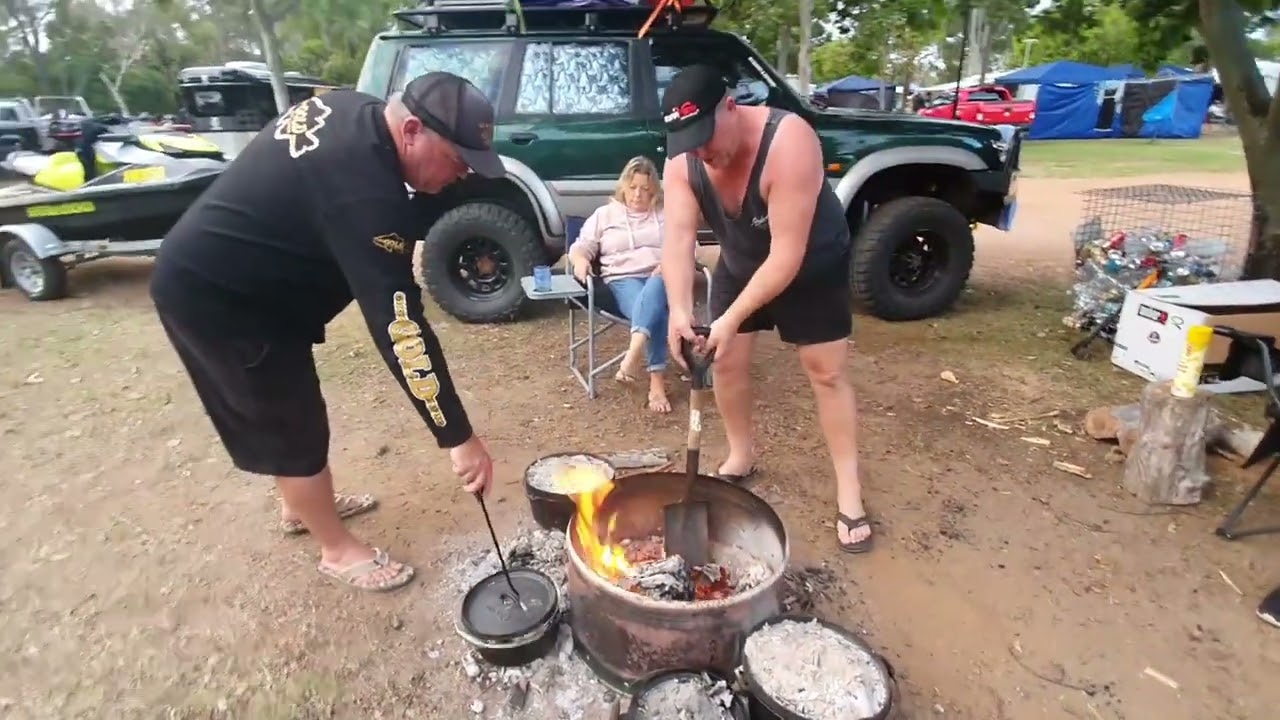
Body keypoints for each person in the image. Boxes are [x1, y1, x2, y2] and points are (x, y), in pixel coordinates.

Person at [149, 72, 504, 592]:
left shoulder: (354, 111)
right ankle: (335, 549)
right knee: (291, 423)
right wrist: (458, 435)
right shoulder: (364, 194)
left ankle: (302, 504)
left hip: (253, 284)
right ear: (411, 131)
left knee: (290, 412)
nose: (461, 175)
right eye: (457, 159)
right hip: (221, 296)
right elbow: (400, 327)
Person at [658, 65, 872, 553]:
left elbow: (786, 255)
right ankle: (740, 453)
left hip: (809, 259)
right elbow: (678, 240)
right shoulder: (683, 162)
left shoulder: (789, 141)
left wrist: (729, 319)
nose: (702, 151)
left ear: (730, 106)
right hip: (741, 258)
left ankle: (850, 491)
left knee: (826, 371)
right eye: (689, 142)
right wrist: (677, 309)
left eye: (706, 136)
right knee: (725, 359)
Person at [567, 156, 672, 413]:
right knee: (657, 311)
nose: (638, 195)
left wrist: (670, 264)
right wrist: (580, 261)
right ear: (623, 186)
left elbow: (687, 248)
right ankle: (655, 383)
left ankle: (632, 355)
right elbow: (580, 247)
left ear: (654, 191)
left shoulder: (665, 215)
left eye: (645, 189)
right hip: (623, 281)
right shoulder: (605, 215)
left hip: (661, 277)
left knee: (659, 283)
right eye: (633, 187)